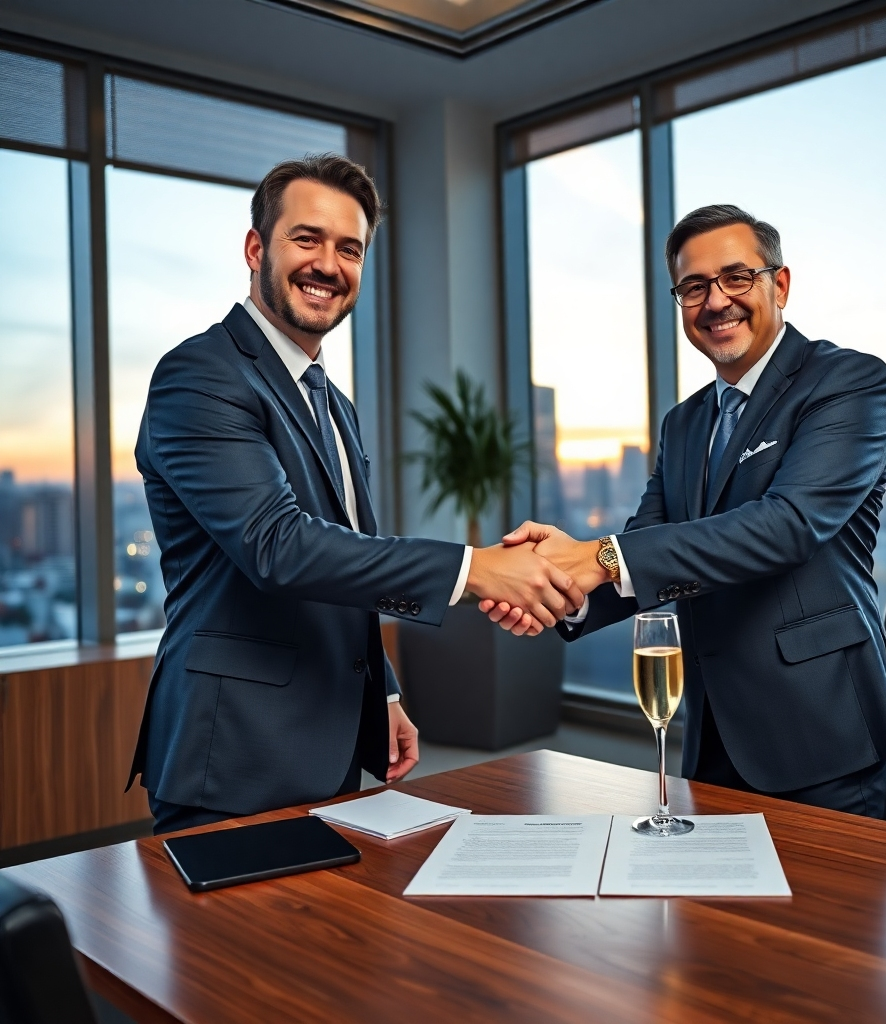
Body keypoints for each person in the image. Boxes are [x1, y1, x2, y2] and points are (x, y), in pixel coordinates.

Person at [128, 154, 583, 834]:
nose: (328, 265)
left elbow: (350, 554)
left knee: (324, 940)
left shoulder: (330, 401)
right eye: (306, 239)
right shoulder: (199, 375)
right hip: (233, 755)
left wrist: (385, 690)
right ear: (256, 249)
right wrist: (475, 567)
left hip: (328, 739)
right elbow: (279, 547)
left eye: (350, 249)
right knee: (236, 945)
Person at [482, 204, 886, 817]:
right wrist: (561, 591)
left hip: (822, 730)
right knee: (708, 912)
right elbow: (649, 543)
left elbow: (786, 527)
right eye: (693, 286)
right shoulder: (684, 423)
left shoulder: (848, 382)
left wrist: (595, 557)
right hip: (712, 731)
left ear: (780, 284)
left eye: (736, 277)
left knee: (827, 915)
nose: (716, 301)